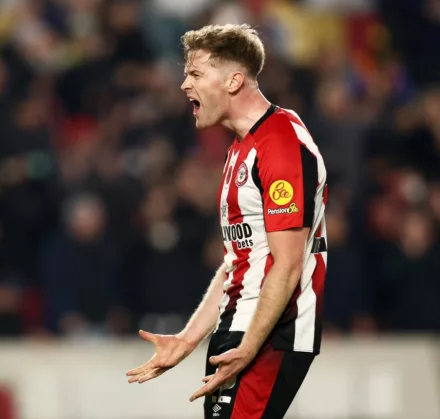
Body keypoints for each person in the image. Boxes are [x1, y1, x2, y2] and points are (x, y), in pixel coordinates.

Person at [126, 23, 328, 419]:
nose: (184, 84)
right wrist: (187, 340)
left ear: (234, 81)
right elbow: (240, 260)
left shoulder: (280, 142)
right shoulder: (240, 149)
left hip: (269, 332)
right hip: (239, 326)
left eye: (196, 73)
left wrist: (250, 347)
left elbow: (288, 265)